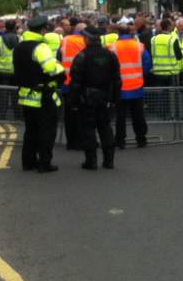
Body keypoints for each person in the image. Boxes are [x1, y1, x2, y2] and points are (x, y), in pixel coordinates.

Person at [14, 15, 65, 173]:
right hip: (42, 96)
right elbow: (51, 69)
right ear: (43, 30)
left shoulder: (19, 47)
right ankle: (44, 163)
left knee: (30, 131)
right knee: (46, 131)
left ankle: (28, 163)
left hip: (25, 96)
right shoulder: (41, 47)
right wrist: (60, 68)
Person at [69, 27, 120, 170]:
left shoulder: (82, 56)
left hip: (87, 98)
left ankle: (91, 162)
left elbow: (76, 82)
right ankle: (109, 161)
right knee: (105, 128)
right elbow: (117, 79)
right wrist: (115, 98)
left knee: (88, 129)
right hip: (105, 97)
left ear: (86, 39)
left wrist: (73, 101)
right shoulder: (110, 55)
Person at [111, 21, 150, 149]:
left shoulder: (112, 47)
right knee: (138, 115)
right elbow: (147, 65)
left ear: (118, 33)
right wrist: (140, 74)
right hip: (136, 85)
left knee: (120, 117)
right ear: (130, 33)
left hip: (119, 87)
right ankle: (141, 139)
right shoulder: (139, 46)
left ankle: (120, 141)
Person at [59, 24, 87, 150]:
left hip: (66, 82)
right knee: (82, 113)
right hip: (81, 82)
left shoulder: (64, 40)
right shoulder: (86, 41)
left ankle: (71, 142)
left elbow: (58, 58)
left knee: (69, 114)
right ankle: (81, 141)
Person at [150, 19, 182, 87]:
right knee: (171, 95)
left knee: (160, 95)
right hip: (171, 72)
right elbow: (179, 56)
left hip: (157, 71)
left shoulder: (153, 39)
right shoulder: (173, 39)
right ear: (169, 27)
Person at [0, 20, 20, 86]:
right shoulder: (19, 39)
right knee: (14, 92)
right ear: (14, 28)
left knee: (2, 93)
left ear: (5, 27)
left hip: (2, 70)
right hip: (15, 69)